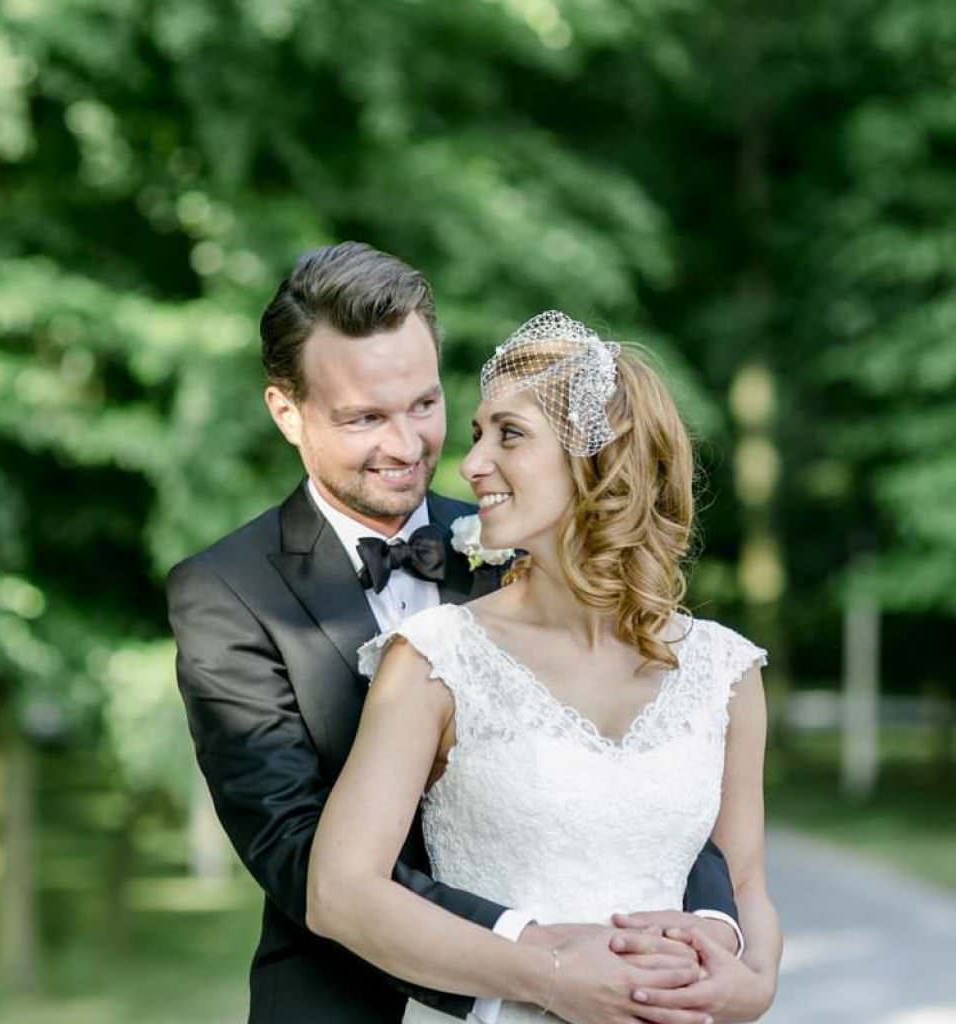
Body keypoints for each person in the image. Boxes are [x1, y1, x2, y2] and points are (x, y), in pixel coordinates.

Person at [167, 243, 756, 1024]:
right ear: (287, 412)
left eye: (422, 405)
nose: (409, 447)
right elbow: (295, 851)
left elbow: (661, 773)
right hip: (351, 1001)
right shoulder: (227, 591)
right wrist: (540, 959)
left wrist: (714, 938)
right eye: (366, 418)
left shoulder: (527, 532)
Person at [306, 310, 782, 1023]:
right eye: (476, 435)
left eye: (511, 434)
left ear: (598, 458)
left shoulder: (726, 672)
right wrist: (549, 976)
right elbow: (340, 893)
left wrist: (755, 984)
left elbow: (743, 879)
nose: (469, 466)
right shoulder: (437, 658)